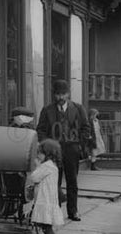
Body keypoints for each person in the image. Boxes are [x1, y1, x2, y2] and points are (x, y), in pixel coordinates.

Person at [37, 79, 91, 221]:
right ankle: (56, 212)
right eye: (58, 94)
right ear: (54, 95)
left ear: (68, 94)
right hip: (53, 153)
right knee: (54, 182)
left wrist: (79, 145)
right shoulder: (47, 110)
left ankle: (73, 211)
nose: (60, 97)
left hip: (72, 150)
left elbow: (86, 128)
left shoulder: (78, 109)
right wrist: (47, 146)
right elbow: (41, 131)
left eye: (63, 94)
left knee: (72, 181)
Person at [29, 139, 64, 234]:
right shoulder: (52, 165)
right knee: (45, 227)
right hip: (47, 201)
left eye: (40, 153)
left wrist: (37, 165)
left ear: (47, 154)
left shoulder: (46, 166)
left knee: (47, 228)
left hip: (46, 201)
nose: (38, 155)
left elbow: (34, 177)